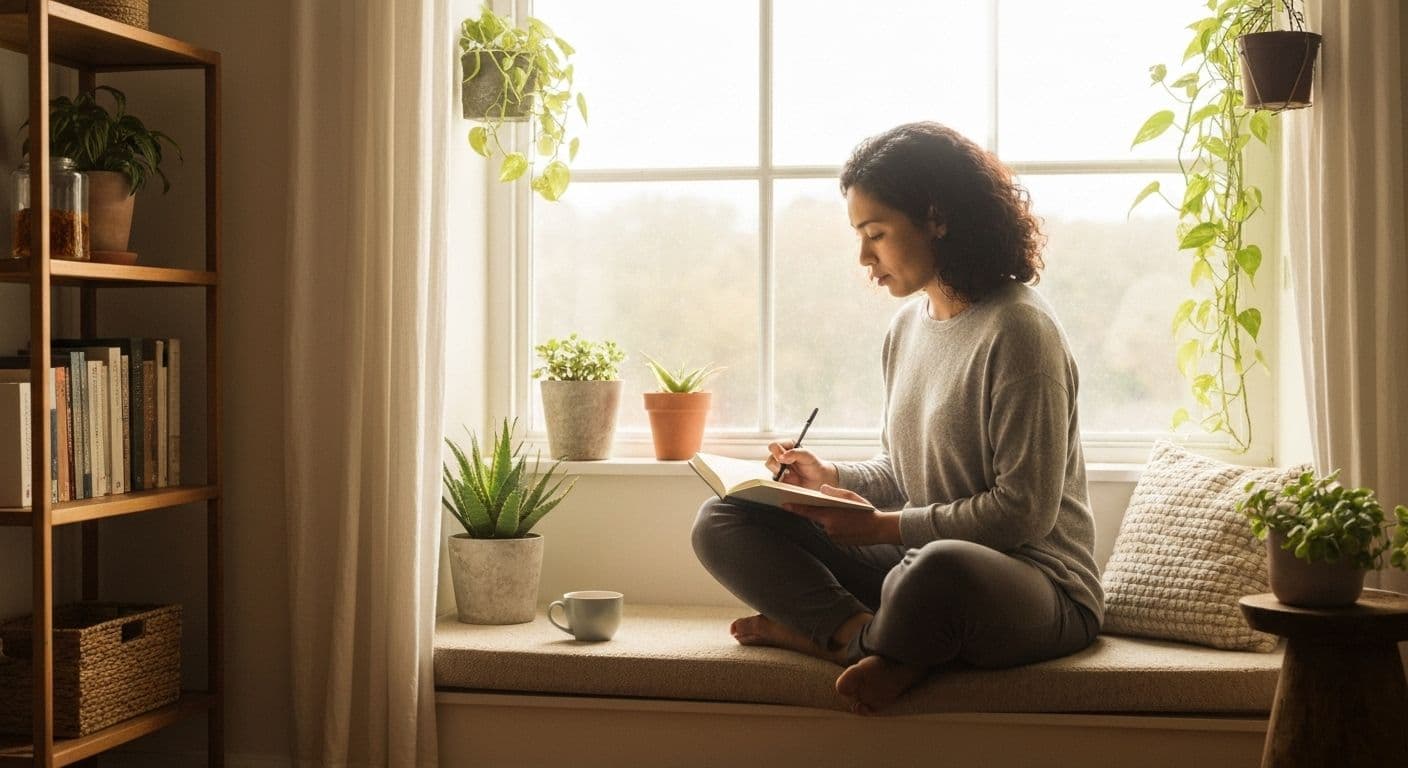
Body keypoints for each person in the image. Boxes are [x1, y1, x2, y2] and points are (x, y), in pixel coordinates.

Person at [690, 121, 1103, 715]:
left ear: (935, 217)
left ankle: (833, 638)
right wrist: (829, 478)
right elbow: (902, 471)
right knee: (723, 518)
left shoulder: (1019, 331)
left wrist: (883, 528)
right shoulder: (907, 328)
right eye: (860, 236)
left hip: (1034, 586)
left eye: (876, 234)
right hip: (914, 568)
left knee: (936, 567)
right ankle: (859, 638)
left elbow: (1022, 513)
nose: (864, 257)